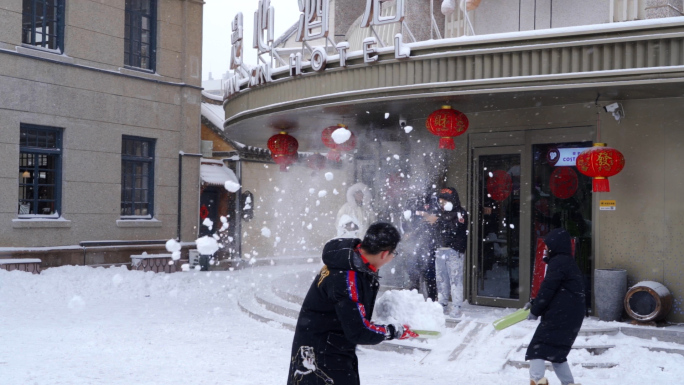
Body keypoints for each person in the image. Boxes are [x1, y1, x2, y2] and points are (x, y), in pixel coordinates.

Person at [287, 222, 418, 385]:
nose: (393, 258)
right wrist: (393, 331)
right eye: (394, 253)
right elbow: (358, 331)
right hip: (323, 354)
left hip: (328, 346)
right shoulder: (347, 279)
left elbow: (351, 317)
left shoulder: (352, 262)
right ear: (384, 254)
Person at [525, 228, 585, 385]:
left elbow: (548, 289)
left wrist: (535, 310)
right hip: (570, 316)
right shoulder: (566, 262)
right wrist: (534, 303)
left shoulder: (559, 263)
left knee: (536, 349)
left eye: (547, 246)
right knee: (557, 353)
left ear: (555, 246)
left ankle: (537, 381)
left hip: (560, 316)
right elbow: (555, 291)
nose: (545, 249)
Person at [429, 187, 468, 316]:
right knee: (441, 279)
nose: (442, 205)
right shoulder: (440, 213)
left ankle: (457, 306)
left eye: (444, 202)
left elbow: (454, 230)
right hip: (440, 250)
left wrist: (438, 221)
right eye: (440, 202)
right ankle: (442, 303)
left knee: (455, 279)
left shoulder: (460, 213)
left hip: (454, 250)